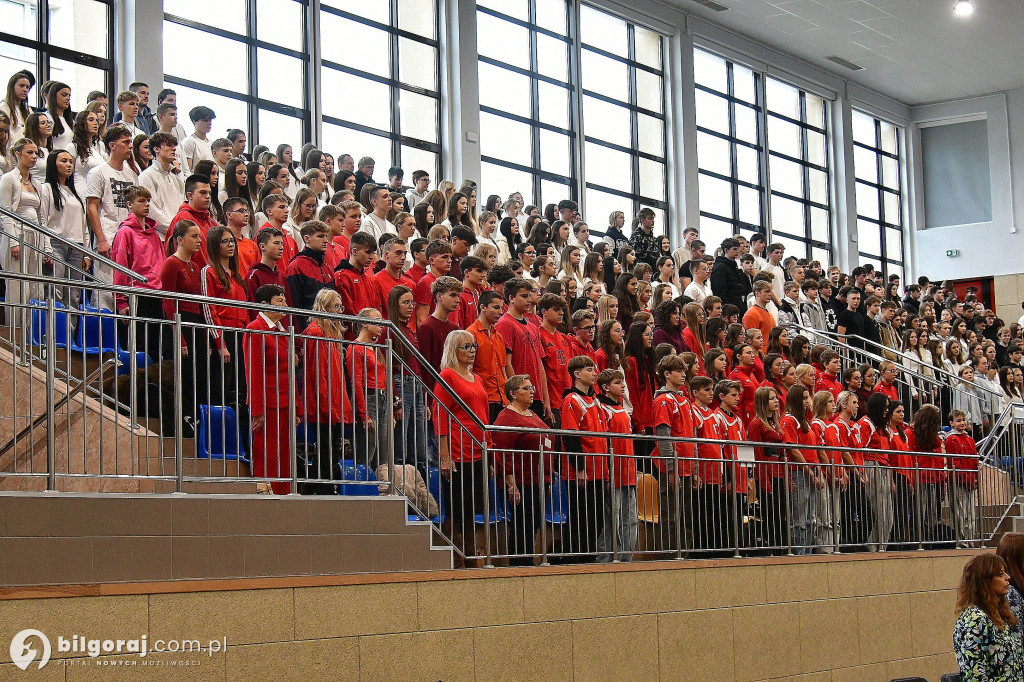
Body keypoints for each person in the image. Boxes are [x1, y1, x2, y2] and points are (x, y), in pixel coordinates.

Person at [434, 329, 490, 561]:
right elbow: (440, 415)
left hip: (478, 450)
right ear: (453, 350)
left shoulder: (477, 378)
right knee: (456, 508)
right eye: (466, 347)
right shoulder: (447, 375)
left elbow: (483, 416)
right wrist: (445, 456)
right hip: (458, 452)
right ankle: (454, 556)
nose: (472, 351)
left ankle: (469, 552)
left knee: (472, 508)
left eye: (473, 346)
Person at [244, 284, 296, 494]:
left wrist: (296, 406)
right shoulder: (255, 329)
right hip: (267, 402)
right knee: (267, 452)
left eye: (284, 300)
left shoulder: (283, 332)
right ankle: (266, 493)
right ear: (264, 304)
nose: (284, 304)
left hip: (285, 400)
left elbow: (290, 373)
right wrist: (258, 409)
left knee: (285, 453)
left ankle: (284, 493)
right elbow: (253, 371)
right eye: (279, 300)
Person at [299, 289, 353, 488]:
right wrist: (327, 405)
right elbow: (318, 373)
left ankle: (328, 488)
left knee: (332, 450)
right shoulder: (316, 332)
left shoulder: (330, 332)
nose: (339, 311)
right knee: (326, 451)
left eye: (341, 307)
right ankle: (323, 491)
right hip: (323, 404)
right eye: (335, 307)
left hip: (332, 402)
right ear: (324, 308)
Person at [492, 374, 548, 563]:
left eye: (531, 387)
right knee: (523, 524)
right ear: (513, 393)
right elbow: (503, 453)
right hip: (521, 481)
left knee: (533, 523)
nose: (532, 391)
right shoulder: (507, 417)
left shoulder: (532, 414)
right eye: (526, 388)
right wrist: (511, 484)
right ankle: (519, 564)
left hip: (538, 479)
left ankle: (528, 561)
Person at [559, 354, 610, 559]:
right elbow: (572, 438)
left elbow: (604, 438)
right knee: (581, 519)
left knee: (595, 519)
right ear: (576, 374)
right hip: (581, 474)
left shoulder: (595, 401)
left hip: (597, 472)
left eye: (594, 369)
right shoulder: (571, 400)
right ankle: (575, 559)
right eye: (589, 370)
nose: (594, 373)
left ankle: (589, 558)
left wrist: (606, 472)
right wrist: (579, 469)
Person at [110, 185, 167, 362]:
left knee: (156, 348)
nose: (146, 205)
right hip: (137, 295)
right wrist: (121, 300)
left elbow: (162, 264)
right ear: (129, 205)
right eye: (141, 201)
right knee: (140, 348)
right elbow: (120, 267)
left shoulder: (155, 235)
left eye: (148, 201)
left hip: (156, 294)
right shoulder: (125, 232)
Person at [953, 553, 1023, 680]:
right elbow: (974, 676)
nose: (1007, 578)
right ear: (984, 581)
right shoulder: (975, 619)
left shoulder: (999, 615)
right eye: (1000, 574)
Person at [38, 149, 88, 310]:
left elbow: (83, 225)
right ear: (53, 164)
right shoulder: (46, 188)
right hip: (55, 243)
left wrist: (87, 253)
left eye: (70, 162)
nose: (69, 165)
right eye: (63, 161)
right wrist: (46, 248)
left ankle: (69, 334)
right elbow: (42, 219)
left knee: (74, 296)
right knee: (55, 293)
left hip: (77, 246)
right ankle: (52, 333)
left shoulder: (76, 192)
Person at [0, 138, 44, 311]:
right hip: (17, 235)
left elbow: (42, 217)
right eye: (29, 152)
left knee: (35, 287)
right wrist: (13, 242)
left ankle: (31, 331)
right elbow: (5, 212)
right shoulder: (8, 179)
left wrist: (45, 246)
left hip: (35, 236)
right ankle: (15, 330)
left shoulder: (37, 183)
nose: (34, 157)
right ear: (18, 154)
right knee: (17, 287)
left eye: (36, 153)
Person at [468, 291, 514, 422]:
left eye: (501, 308)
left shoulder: (498, 336)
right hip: (483, 398)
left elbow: (503, 369)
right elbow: (468, 370)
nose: (500, 312)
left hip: (501, 398)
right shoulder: (471, 334)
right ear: (483, 307)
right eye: (496, 307)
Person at [858, 392, 894, 552]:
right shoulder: (865, 424)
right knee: (878, 511)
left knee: (888, 515)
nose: (887, 410)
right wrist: (862, 471)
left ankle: (882, 546)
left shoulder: (883, 426)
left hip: (884, 469)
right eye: (884, 407)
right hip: (871, 467)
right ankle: (873, 546)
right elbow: (859, 449)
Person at [285, 220, 334, 329]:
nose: (326, 240)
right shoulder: (296, 266)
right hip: (307, 330)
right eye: (320, 236)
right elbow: (294, 305)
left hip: (329, 329)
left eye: (326, 236)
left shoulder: (327, 267)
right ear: (307, 239)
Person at [417, 276, 462, 385]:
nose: (457, 300)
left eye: (458, 295)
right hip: (434, 388)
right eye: (452, 295)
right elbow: (425, 367)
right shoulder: (427, 327)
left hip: (452, 386)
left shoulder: (454, 329)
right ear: (439, 296)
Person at [138, 132, 185, 238]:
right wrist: (174, 230)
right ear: (156, 149)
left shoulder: (177, 180)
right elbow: (152, 211)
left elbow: (182, 210)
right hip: (159, 237)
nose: (173, 149)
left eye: (174, 146)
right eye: (169, 145)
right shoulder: (146, 176)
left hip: (178, 236)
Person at [537, 294, 572, 423]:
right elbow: (540, 372)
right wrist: (546, 401)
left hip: (567, 400)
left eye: (562, 310)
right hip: (552, 401)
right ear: (544, 312)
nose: (561, 313)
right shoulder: (539, 335)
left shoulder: (564, 338)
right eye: (556, 309)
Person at [947, 409, 980, 545]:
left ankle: (970, 541)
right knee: (961, 514)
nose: (962, 423)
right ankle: (962, 542)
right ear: (952, 423)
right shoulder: (951, 439)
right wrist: (966, 480)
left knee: (970, 514)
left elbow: (974, 462)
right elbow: (955, 464)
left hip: (970, 482)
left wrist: (975, 479)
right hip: (958, 483)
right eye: (958, 420)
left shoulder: (969, 439)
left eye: (963, 420)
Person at [181, 106, 215, 171]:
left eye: (210, 120)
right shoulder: (189, 141)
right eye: (205, 120)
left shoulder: (212, 144)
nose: (209, 123)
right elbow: (187, 170)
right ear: (194, 121)